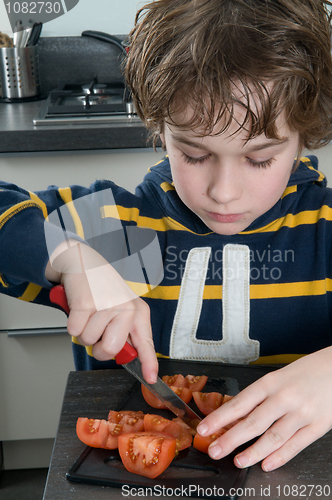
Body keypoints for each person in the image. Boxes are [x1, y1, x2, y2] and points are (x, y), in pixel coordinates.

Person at [1, 0, 332, 473]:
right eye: (194, 153)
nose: (223, 193)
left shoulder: (324, 232)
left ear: (304, 135)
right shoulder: (115, 227)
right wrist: (68, 255)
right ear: (160, 129)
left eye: (260, 159)